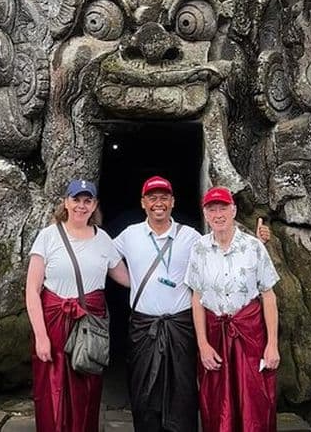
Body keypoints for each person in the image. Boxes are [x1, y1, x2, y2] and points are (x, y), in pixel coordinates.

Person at [113, 176, 271, 432]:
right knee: (144, 393)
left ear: (173, 202)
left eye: (164, 197)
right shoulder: (129, 235)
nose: (158, 203)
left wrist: (260, 239)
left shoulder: (191, 237)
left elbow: (223, 245)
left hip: (181, 324)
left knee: (183, 393)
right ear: (143, 203)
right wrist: (133, 282)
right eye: (152, 198)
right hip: (144, 326)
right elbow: (103, 256)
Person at [25, 179, 130, 432]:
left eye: (87, 201)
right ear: (66, 202)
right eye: (76, 200)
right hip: (53, 322)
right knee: (52, 391)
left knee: (87, 389)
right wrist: (40, 336)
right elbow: (32, 289)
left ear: (94, 205)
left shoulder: (103, 239)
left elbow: (127, 279)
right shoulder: (47, 237)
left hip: (89, 324)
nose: (81, 206)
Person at [185, 186, 280, 432]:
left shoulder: (254, 247)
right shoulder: (199, 248)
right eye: (212, 209)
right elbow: (197, 298)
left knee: (254, 401)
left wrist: (272, 345)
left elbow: (268, 296)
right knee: (217, 403)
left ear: (234, 210)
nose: (218, 214)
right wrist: (203, 345)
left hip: (250, 334)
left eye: (223, 208)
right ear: (205, 214)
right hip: (215, 334)